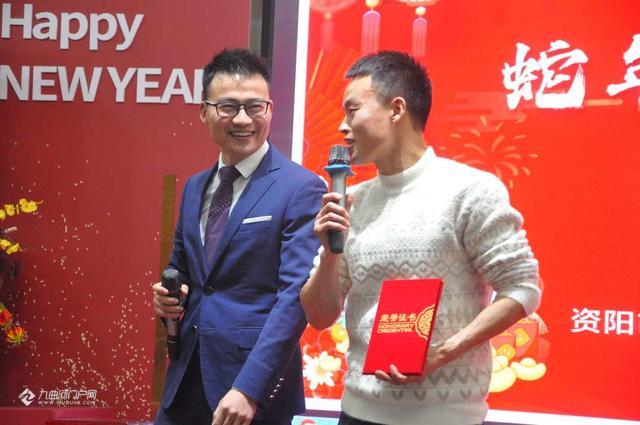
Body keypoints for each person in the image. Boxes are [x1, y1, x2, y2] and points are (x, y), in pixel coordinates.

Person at [300, 51, 541, 425]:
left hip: (445, 416)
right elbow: (319, 316)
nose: (342, 127)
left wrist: (443, 353)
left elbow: (523, 288)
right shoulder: (351, 201)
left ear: (396, 109)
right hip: (357, 410)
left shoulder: (470, 190)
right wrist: (330, 254)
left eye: (352, 110)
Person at [152, 48, 325, 425]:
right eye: (228, 107)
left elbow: (294, 298)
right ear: (204, 111)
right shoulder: (195, 187)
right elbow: (183, 273)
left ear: (270, 109)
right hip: (185, 382)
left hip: (251, 393)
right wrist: (168, 297)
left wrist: (249, 389)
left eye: (254, 107)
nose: (243, 119)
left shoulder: (300, 188)